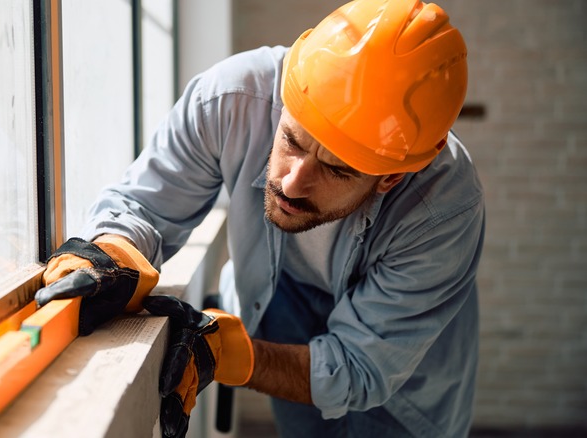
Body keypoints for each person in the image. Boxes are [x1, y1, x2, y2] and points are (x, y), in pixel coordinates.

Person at [34, 0, 485, 436]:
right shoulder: (231, 100)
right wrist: (108, 253)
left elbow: (360, 366)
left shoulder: (442, 206)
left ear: (389, 179)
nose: (291, 184)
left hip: (401, 376)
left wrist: (229, 353)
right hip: (282, 311)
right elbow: (146, 205)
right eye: (292, 140)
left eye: (336, 169)